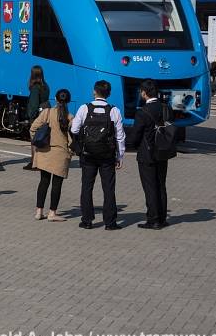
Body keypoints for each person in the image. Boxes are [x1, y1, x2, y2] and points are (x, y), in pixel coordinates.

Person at [70, 80, 126, 231]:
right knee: (108, 188)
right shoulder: (114, 111)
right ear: (109, 94)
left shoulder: (84, 108)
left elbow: (74, 129)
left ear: (94, 91)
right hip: (107, 155)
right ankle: (110, 222)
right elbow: (120, 136)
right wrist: (120, 156)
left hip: (88, 154)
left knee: (87, 187)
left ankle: (87, 220)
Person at [127, 80, 173, 229]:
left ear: (144, 93)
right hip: (163, 151)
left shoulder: (142, 112)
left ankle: (153, 219)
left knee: (150, 187)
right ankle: (162, 218)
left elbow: (136, 135)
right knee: (161, 185)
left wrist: (131, 145)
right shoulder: (166, 107)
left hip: (146, 153)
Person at [30, 89, 73, 222]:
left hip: (45, 152)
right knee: (56, 185)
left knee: (44, 182)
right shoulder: (70, 117)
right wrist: (70, 151)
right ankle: (52, 213)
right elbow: (72, 138)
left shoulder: (47, 112)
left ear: (55, 98)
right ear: (68, 101)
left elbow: (33, 128)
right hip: (61, 153)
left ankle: (39, 212)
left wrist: (38, 143)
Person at [23, 65, 51, 170]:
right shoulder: (46, 86)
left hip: (37, 117)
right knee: (41, 138)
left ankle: (34, 163)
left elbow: (34, 105)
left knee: (34, 139)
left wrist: (30, 115)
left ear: (33, 75)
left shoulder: (35, 88)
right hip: (45, 114)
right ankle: (41, 162)